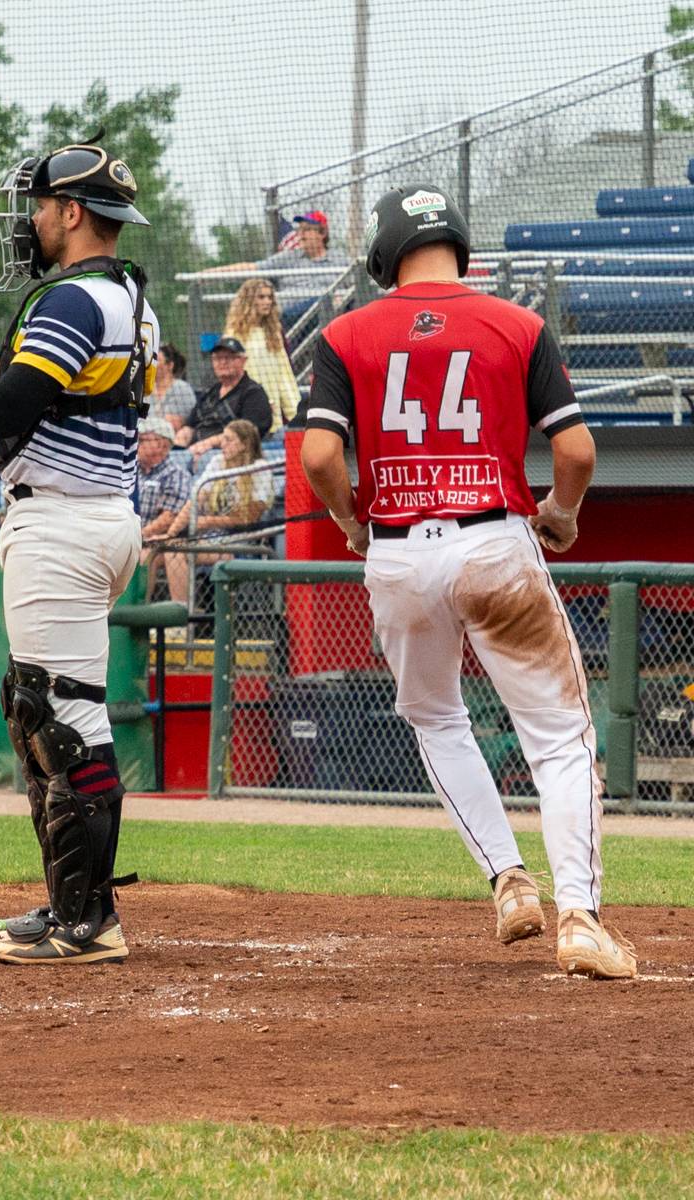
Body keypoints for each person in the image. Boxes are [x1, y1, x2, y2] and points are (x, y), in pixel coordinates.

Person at [300, 181, 637, 981]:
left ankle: (509, 881)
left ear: (385, 256)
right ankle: (581, 918)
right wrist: (563, 511)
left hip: (397, 554)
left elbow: (319, 456)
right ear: (461, 244)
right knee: (558, 739)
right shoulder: (517, 324)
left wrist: (352, 520)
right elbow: (578, 450)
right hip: (494, 541)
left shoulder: (346, 333)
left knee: (437, 719)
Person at [0, 140, 159, 966]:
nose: (34, 220)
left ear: (73, 212)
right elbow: (49, 397)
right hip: (90, 519)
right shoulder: (126, 296)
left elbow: (4, 405)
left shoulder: (74, 298)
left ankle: (88, 922)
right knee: (36, 709)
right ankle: (67, 904)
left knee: (62, 720)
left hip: (62, 527)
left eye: (43, 205)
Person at [157, 419, 274, 607]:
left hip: (243, 540)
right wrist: (171, 532)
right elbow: (195, 501)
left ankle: (182, 615)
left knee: (175, 552)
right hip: (211, 536)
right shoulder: (218, 461)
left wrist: (208, 521)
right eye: (223, 439)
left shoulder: (259, 468)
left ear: (244, 444)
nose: (222, 444)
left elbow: (250, 517)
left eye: (229, 440)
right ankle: (168, 615)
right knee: (163, 549)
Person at [211, 211, 350, 331]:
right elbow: (252, 268)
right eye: (299, 230)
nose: (300, 234)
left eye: (307, 229)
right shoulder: (288, 257)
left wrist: (341, 297)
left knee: (343, 303)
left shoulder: (341, 260)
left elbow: (358, 287)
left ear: (323, 233)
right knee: (325, 300)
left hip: (330, 320)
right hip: (290, 317)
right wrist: (210, 274)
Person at [174, 337, 272, 470]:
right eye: (217, 358)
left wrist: (206, 444)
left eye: (229, 357)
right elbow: (191, 425)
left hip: (229, 457)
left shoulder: (253, 393)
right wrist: (179, 443)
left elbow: (247, 434)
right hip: (194, 451)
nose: (223, 362)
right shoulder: (210, 392)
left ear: (243, 360)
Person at [224, 279, 300, 435]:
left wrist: (295, 413)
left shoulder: (274, 333)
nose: (267, 302)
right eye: (261, 297)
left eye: (270, 297)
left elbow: (285, 376)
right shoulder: (234, 334)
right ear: (249, 300)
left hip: (274, 411)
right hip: (246, 408)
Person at [137, 414, 191, 540]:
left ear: (161, 444)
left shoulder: (177, 475)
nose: (136, 444)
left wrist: (138, 536)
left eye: (141, 440)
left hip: (155, 543)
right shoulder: (130, 469)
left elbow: (168, 518)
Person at [150, 342, 196, 433]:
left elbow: (172, 426)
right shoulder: (147, 389)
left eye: (156, 360)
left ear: (170, 365)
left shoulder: (181, 388)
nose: (152, 364)